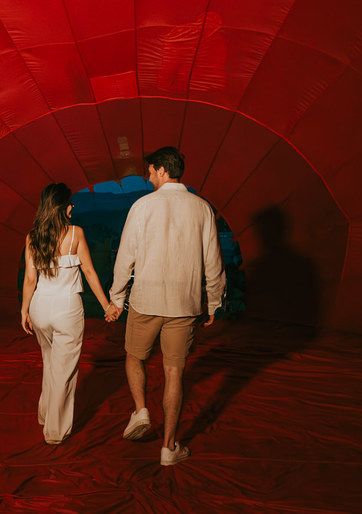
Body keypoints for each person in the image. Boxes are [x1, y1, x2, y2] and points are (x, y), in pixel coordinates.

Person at [105, 147, 225, 466]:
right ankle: (169, 448)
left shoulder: (142, 206)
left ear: (160, 171)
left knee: (133, 356)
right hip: (184, 304)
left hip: (146, 299)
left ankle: (141, 410)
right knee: (175, 373)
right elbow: (214, 261)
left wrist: (117, 298)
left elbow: (125, 258)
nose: (147, 177)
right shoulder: (202, 208)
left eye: (149, 172)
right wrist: (213, 301)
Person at [21, 183, 113, 445]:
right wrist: (106, 306)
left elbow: (30, 279)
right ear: (62, 207)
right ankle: (54, 431)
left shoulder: (32, 237)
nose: (73, 206)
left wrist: (24, 310)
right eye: (70, 203)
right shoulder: (75, 234)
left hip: (40, 307)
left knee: (50, 363)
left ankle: (44, 413)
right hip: (66, 309)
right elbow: (90, 272)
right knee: (65, 372)